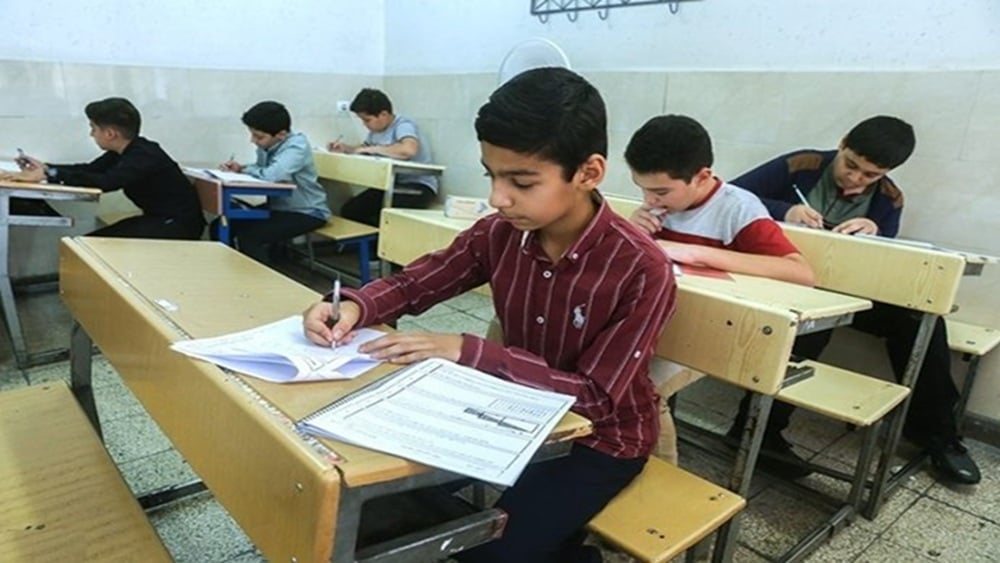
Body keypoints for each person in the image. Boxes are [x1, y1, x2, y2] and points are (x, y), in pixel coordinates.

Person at [304, 68, 676, 563]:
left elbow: (598, 399)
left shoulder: (641, 267)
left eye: (521, 181)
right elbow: (419, 281)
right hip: (507, 412)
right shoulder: (499, 233)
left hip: (599, 440)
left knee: (483, 551)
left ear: (588, 173)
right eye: (491, 175)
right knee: (361, 497)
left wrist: (467, 350)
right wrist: (353, 304)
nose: (498, 198)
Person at [732, 115, 980, 485]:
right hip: (788, 278)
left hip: (848, 286)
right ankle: (754, 432)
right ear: (842, 143)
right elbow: (731, 196)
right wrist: (784, 210)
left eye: (870, 175)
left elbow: (886, 260)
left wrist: (877, 232)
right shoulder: (802, 165)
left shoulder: (888, 198)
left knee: (921, 319)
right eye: (851, 165)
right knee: (817, 318)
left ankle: (937, 434)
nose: (856, 179)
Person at [624, 114, 815, 471]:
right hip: (658, 322)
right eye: (642, 188)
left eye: (660, 191)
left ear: (702, 176)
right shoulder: (656, 209)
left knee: (639, 388)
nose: (649, 198)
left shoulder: (737, 207)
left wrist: (699, 254)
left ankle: (657, 485)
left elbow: (800, 273)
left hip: (713, 331)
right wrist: (635, 232)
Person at [1, 97, 204, 239]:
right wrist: (46, 168)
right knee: (89, 244)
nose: (92, 134)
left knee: (90, 246)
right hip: (160, 219)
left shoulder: (144, 154)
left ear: (109, 134)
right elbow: (90, 169)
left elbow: (106, 182)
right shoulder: (124, 151)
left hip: (178, 225)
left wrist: (48, 175)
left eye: (93, 128)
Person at [212, 101, 331, 264]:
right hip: (279, 208)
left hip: (307, 212)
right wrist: (241, 168)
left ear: (281, 134)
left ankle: (259, 285)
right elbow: (262, 169)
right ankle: (230, 270)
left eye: (258, 136)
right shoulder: (268, 145)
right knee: (219, 225)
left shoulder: (297, 146)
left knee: (250, 237)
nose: (253, 140)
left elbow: (272, 175)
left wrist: (246, 171)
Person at [329, 88, 438, 226]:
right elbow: (364, 149)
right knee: (350, 210)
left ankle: (380, 245)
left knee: (381, 215)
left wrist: (375, 148)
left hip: (418, 187)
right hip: (392, 185)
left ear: (384, 114)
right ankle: (369, 245)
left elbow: (409, 150)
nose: (365, 125)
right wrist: (346, 148)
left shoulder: (403, 125)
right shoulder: (376, 131)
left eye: (367, 120)